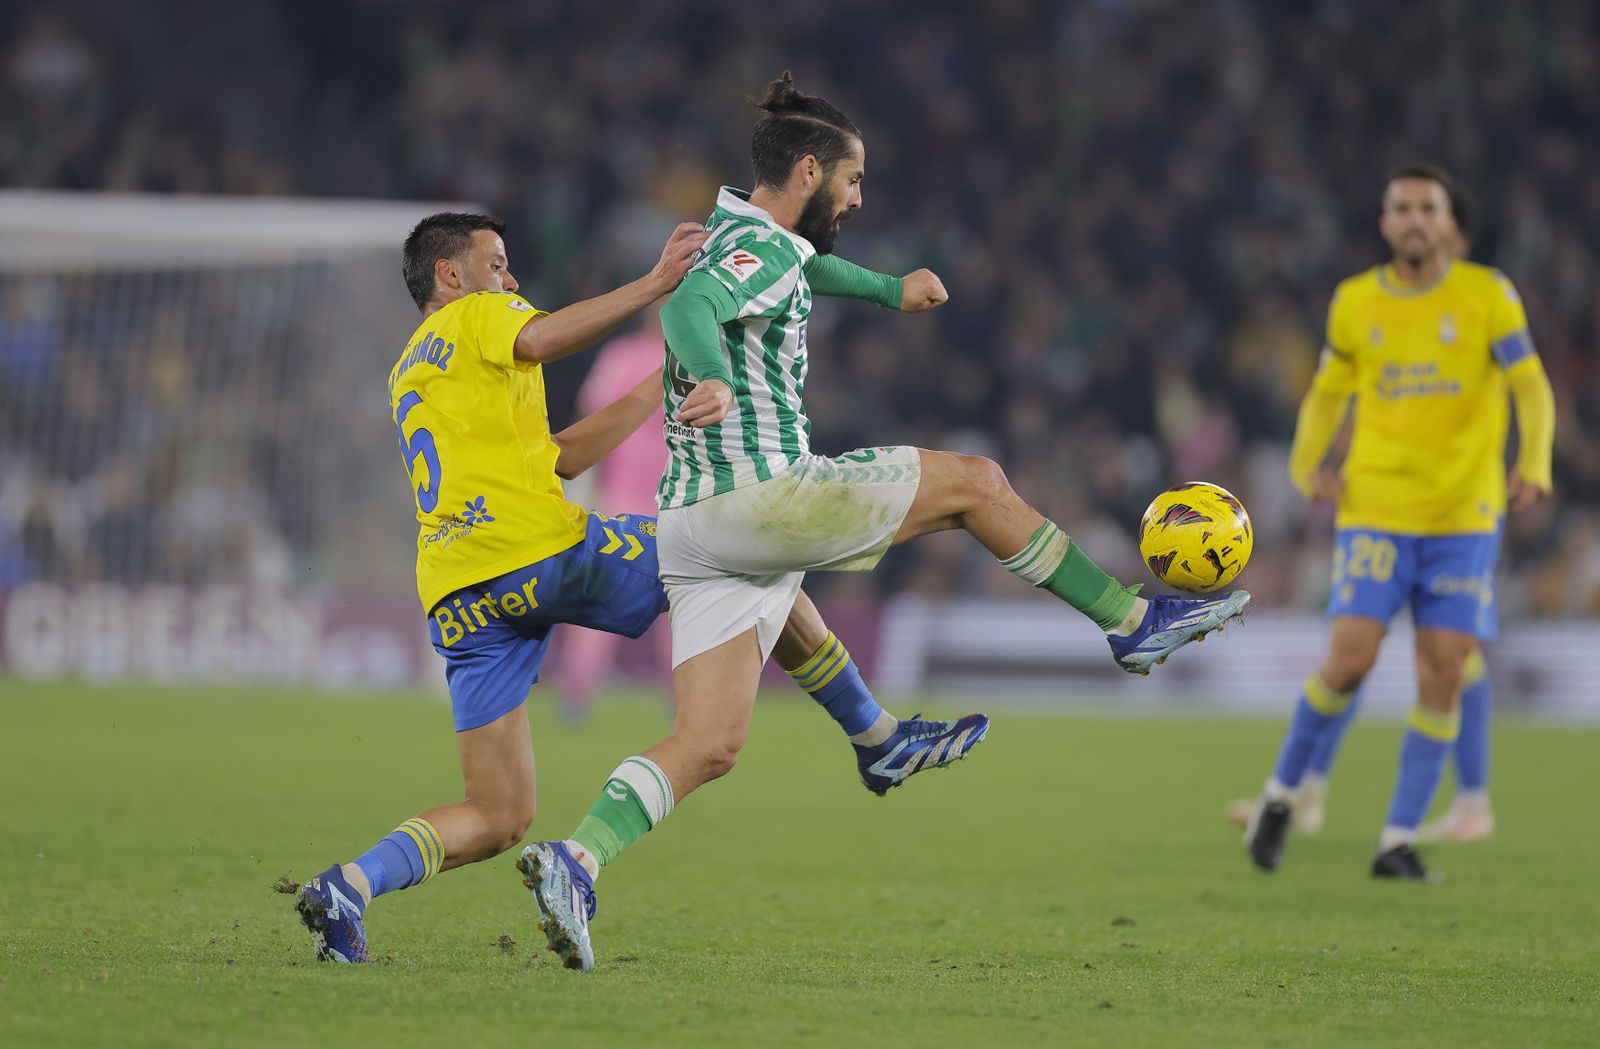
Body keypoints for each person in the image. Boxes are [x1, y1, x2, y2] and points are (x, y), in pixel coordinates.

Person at [517, 71, 1250, 972]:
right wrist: (706, 373)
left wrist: (890, 291)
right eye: (853, 182)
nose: (859, 199)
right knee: (977, 484)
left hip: (694, 528)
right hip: (764, 495)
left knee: (709, 743)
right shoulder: (743, 254)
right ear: (811, 170)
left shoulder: (759, 237)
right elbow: (693, 308)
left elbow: (809, 267)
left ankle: (578, 858)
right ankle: (1132, 622)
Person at [293, 212, 989, 964]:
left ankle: (347, 887)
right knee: (747, 544)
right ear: (450, 275)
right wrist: (657, 284)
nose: (512, 280)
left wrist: (656, 388)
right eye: (498, 264)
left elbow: (557, 457)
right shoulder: (478, 315)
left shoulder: (412, 371)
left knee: (497, 813)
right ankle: (876, 735)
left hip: (461, 589)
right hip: (539, 549)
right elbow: (542, 335)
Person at [1240, 164, 1555, 881]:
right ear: (1385, 222)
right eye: (1402, 207)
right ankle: (1283, 795)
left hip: (1465, 514)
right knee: (1350, 659)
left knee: (1444, 670)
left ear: (1448, 222)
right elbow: (1327, 393)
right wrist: (1302, 464)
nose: (1415, 218)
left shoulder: (1487, 294)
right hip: (1376, 508)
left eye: (1428, 207)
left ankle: (1397, 840)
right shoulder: (1355, 302)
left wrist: (1533, 459)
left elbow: (1529, 384)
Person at [552, 312, 674, 722]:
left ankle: (685, 697)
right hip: (625, 494)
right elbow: (593, 418)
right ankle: (577, 690)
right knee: (602, 590)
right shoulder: (624, 355)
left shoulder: (689, 356)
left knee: (681, 599)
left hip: (675, 495)